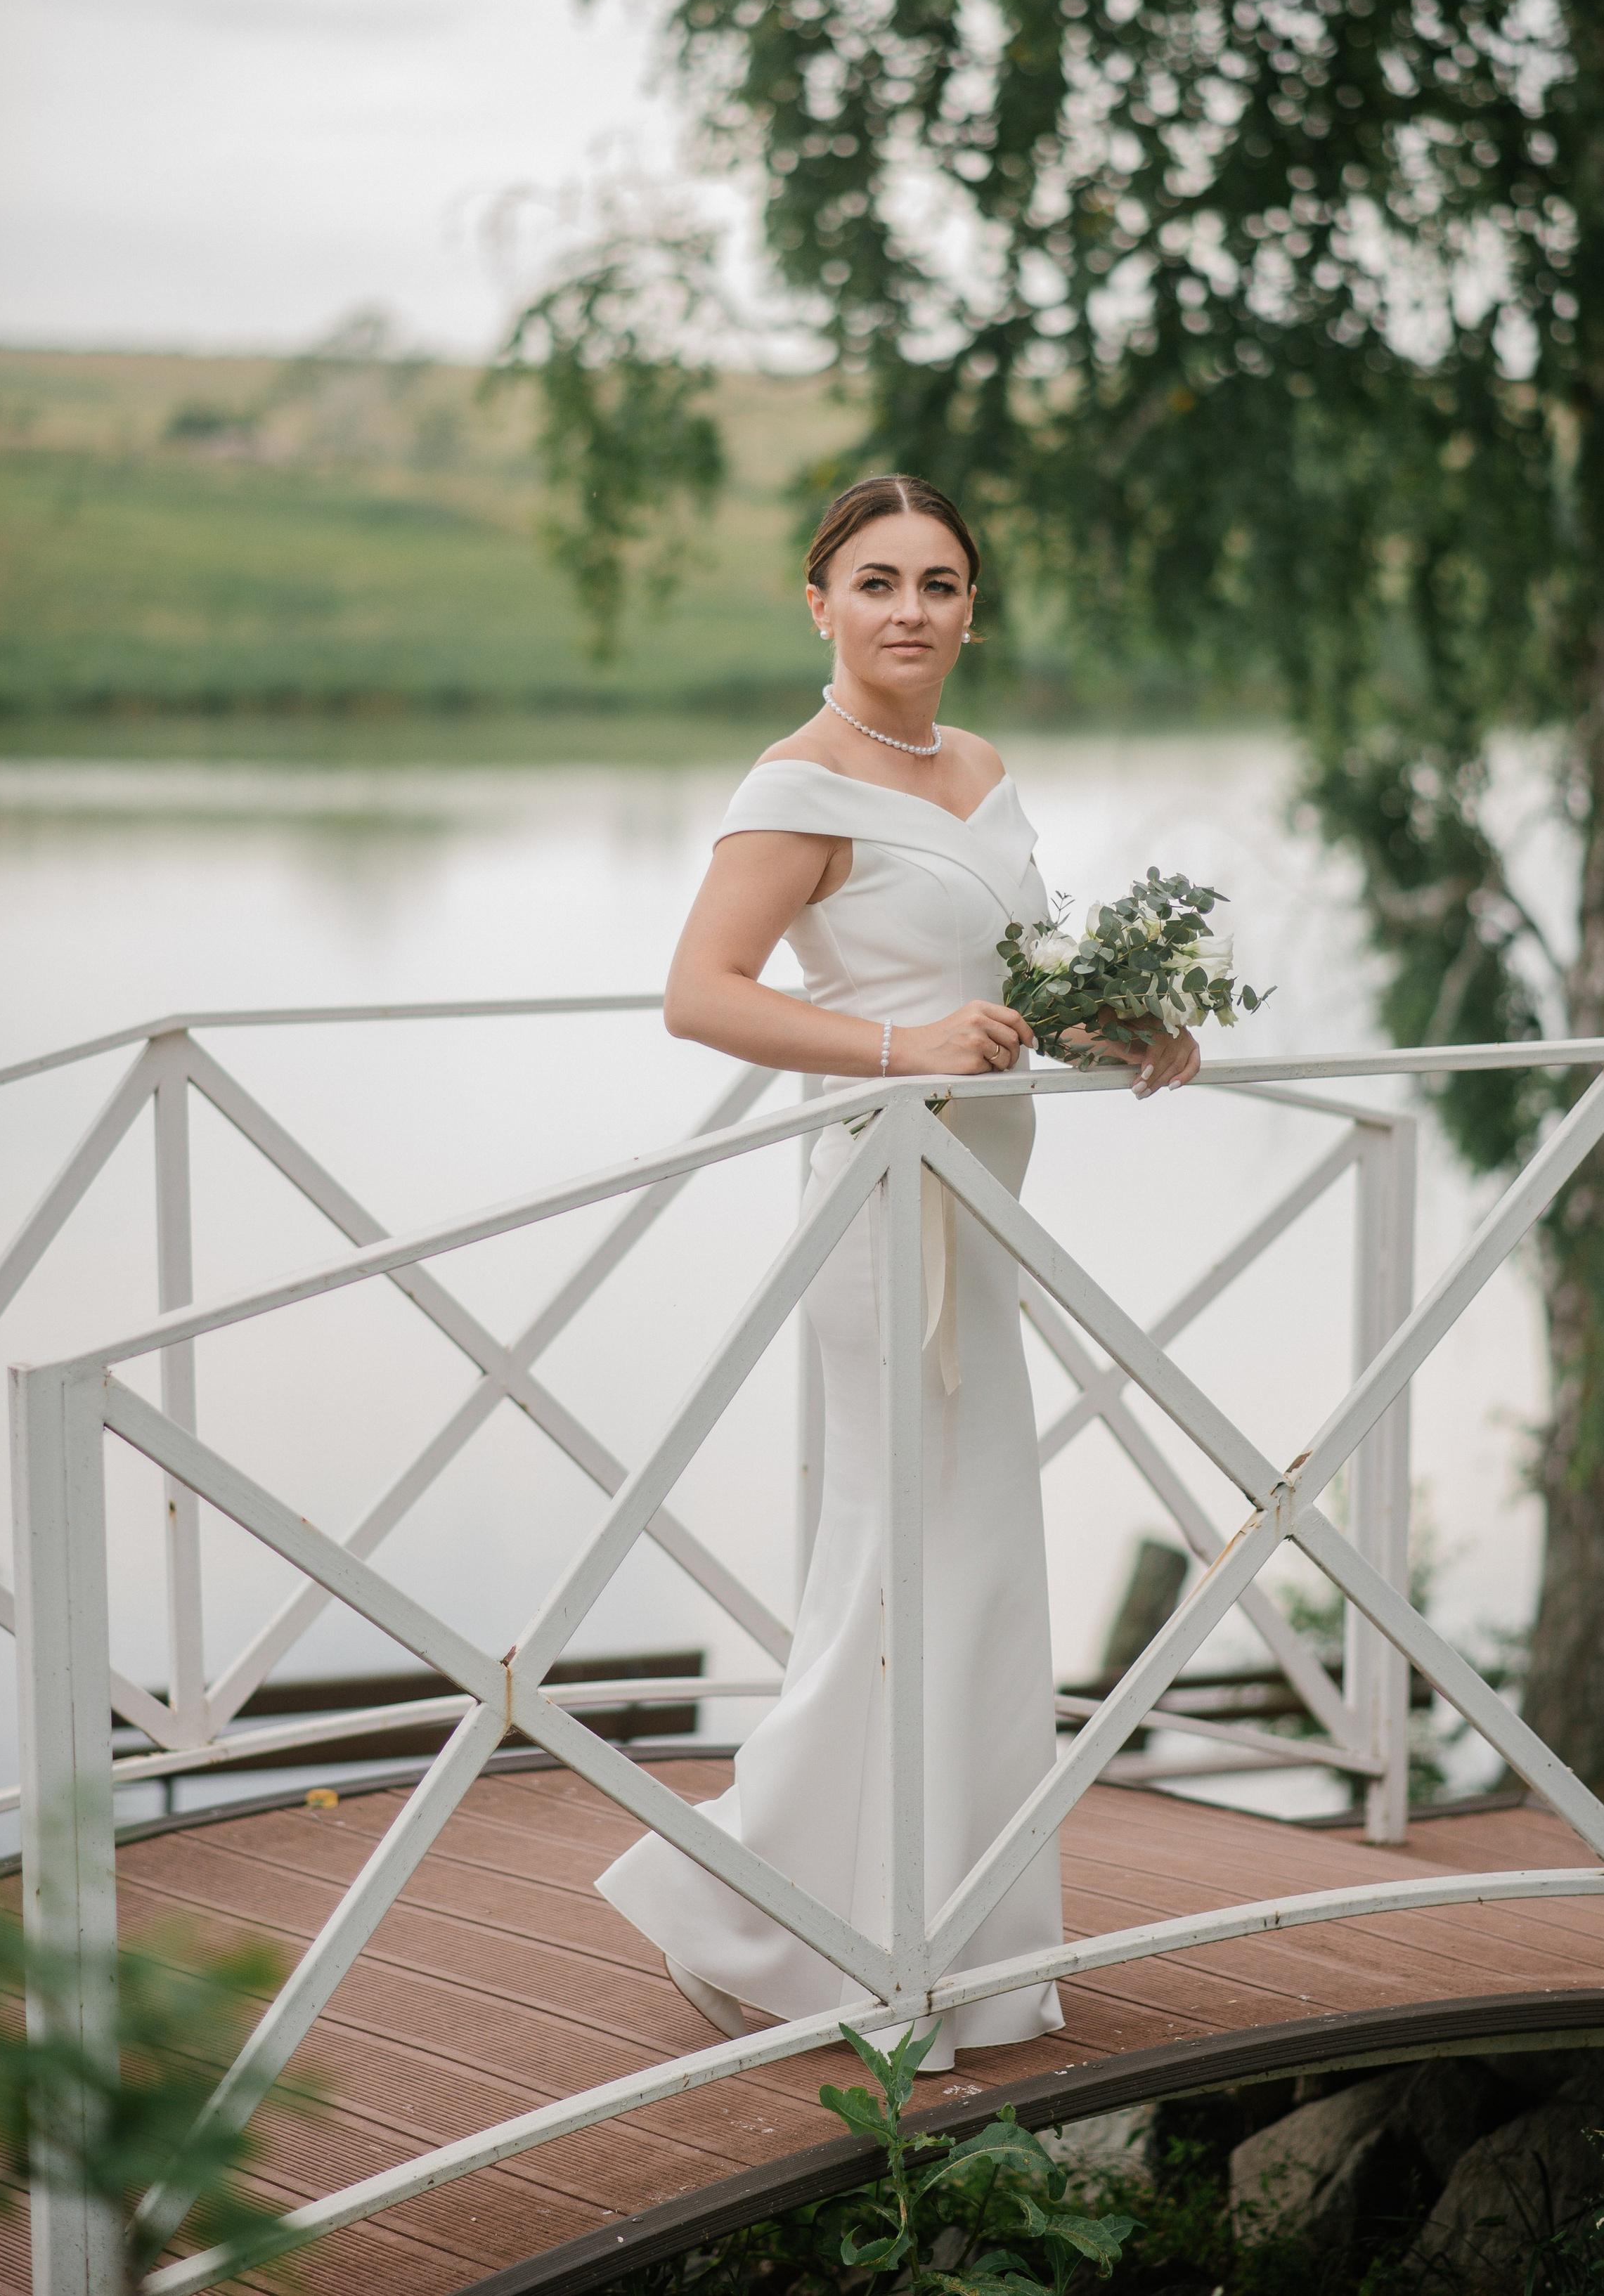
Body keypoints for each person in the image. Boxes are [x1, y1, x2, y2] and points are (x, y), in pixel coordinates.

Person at [594, 474, 1202, 2071]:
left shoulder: (981, 768)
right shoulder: (792, 787)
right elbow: (699, 995)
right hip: (879, 1202)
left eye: (939, 583)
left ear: (969, 609)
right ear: (818, 601)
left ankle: (960, 1940)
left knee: (977, 1563)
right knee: (897, 1560)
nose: (910, 611)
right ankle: (738, 1912)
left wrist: (1109, 1023)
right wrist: (892, 1046)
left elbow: (1002, 983)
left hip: (984, 1199)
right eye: (876, 581)